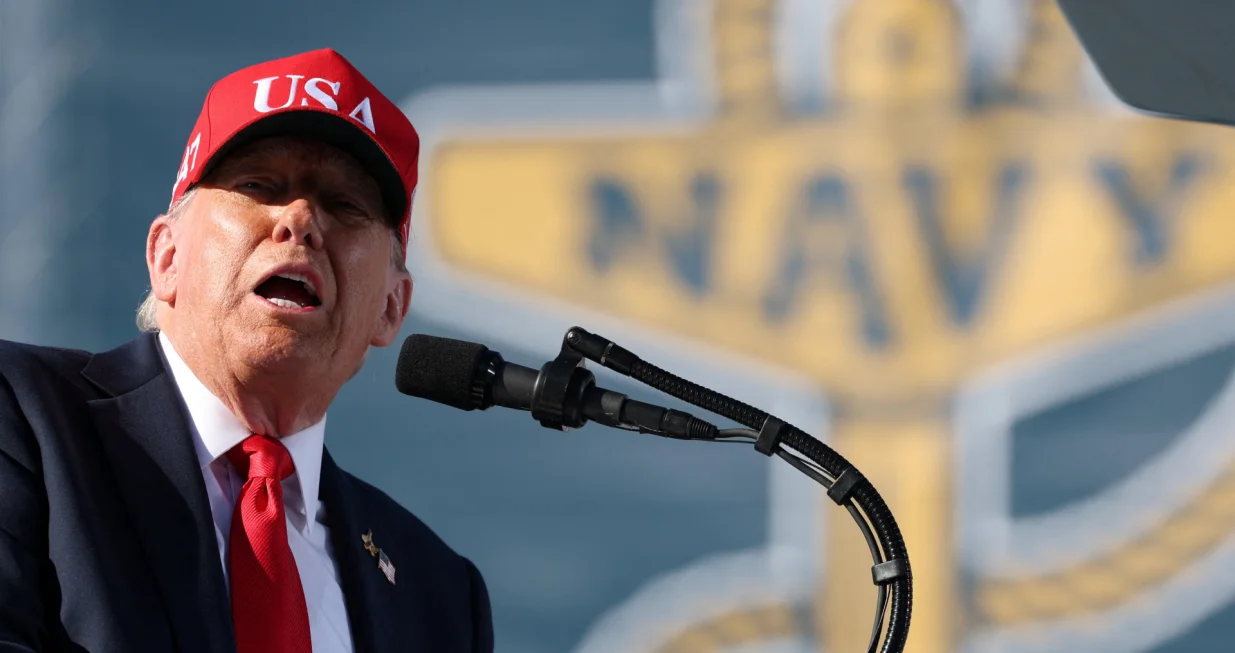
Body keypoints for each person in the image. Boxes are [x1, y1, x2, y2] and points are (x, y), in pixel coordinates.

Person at [0, 48, 493, 653]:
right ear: (167, 256)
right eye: (258, 185)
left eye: (345, 205)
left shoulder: (438, 594)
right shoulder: (22, 422)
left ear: (391, 306)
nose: (301, 221)